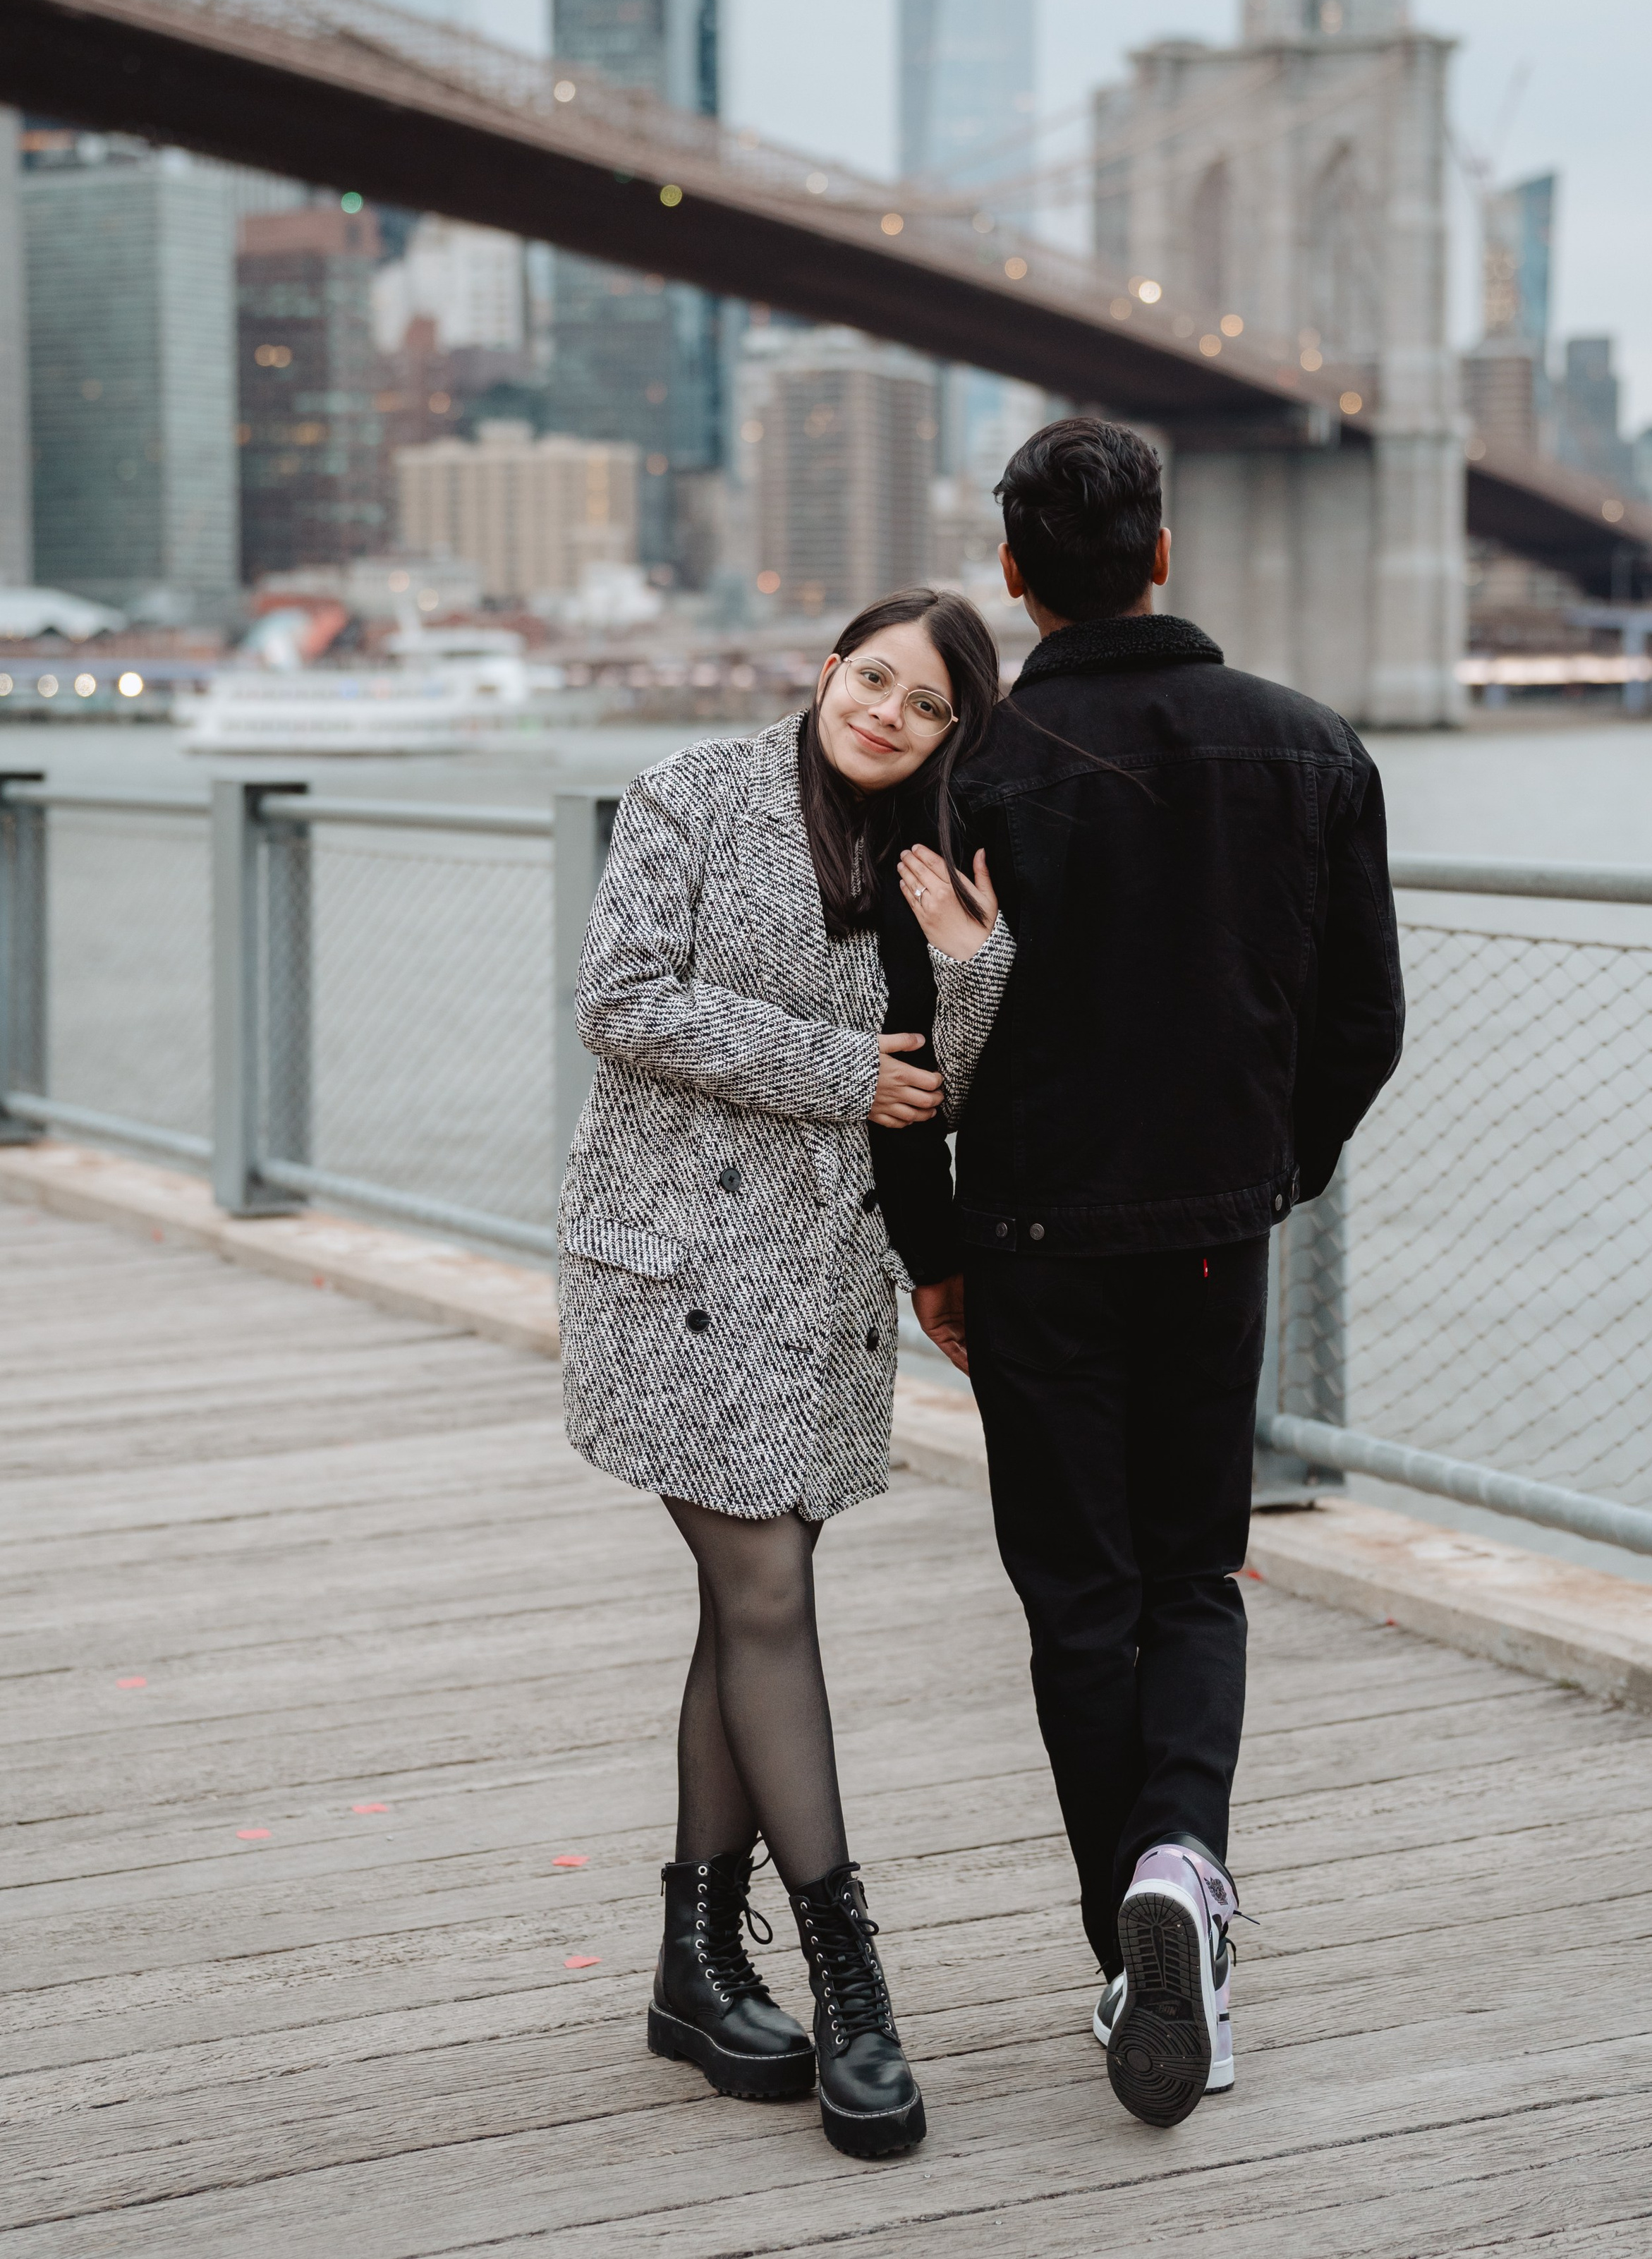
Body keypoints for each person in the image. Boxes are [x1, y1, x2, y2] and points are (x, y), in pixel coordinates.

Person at [871, 420, 1405, 2129]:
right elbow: (1362, 1028)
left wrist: (932, 1250)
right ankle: (1182, 1874)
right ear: (1161, 553)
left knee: (1079, 1606)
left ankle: (1135, 1927)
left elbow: (903, 1050)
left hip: (1026, 1244)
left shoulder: (969, 775)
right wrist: (1266, 1172)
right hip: (1205, 1237)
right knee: (1194, 1579)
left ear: (1013, 574)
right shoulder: (1311, 751)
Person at [559, 588, 1012, 2162]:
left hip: (814, 1287)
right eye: (870, 677)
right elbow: (617, 1000)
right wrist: (835, 1073)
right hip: (674, 1266)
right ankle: (849, 1974)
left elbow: (944, 1089)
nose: (885, 712)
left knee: (742, 1607)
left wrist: (975, 957)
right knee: (764, 1597)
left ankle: (693, 1964)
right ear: (826, 672)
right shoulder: (694, 792)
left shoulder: (939, 857)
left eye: (924, 703)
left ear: (954, 730)